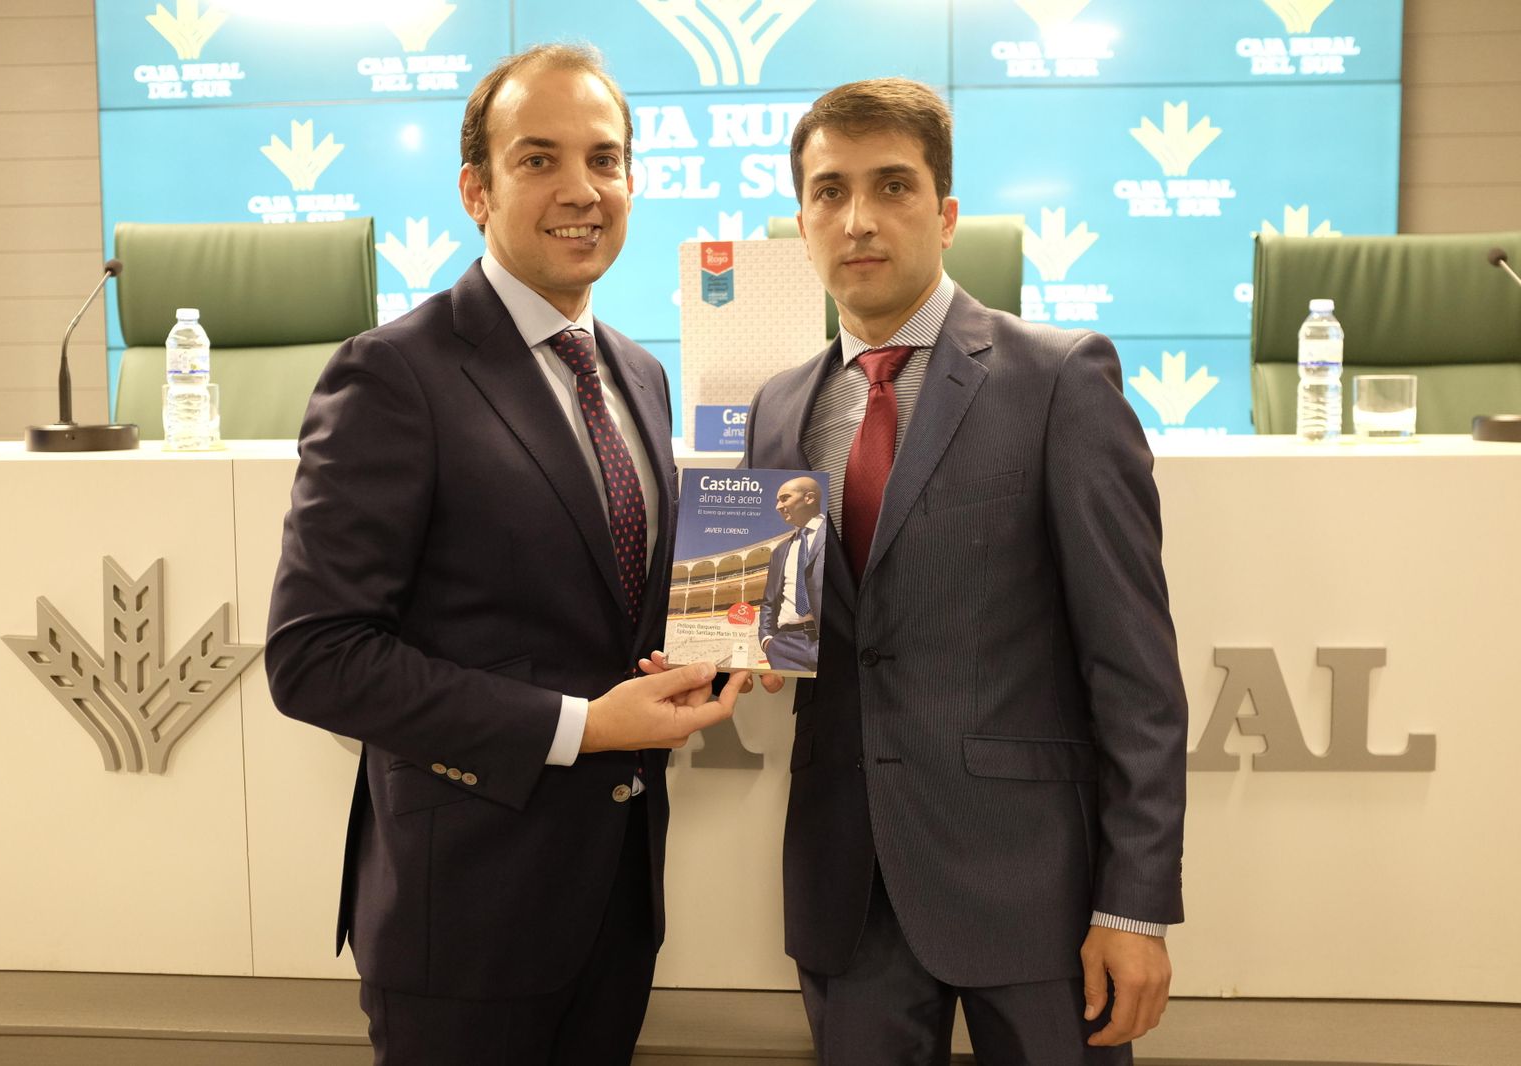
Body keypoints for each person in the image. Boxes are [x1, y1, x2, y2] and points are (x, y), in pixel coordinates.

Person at [265, 44, 747, 1066]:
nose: (583, 190)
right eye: (539, 160)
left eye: (606, 160)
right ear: (475, 191)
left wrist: (719, 644)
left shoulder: (638, 372)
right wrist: (580, 725)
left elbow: (600, 601)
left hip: (615, 903)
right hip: (466, 918)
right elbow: (315, 656)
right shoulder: (394, 374)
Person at [743, 78, 1188, 1064]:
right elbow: (783, 618)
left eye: (891, 186)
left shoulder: (1059, 379)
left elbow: (1134, 669)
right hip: (846, 891)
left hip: (1035, 894)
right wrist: (740, 651)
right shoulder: (778, 409)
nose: (857, 218)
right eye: (827, 192)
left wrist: (1136, 902)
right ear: (803, 222)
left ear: (945, 215)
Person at [758, 475, 825, 672]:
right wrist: (767, 640)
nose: (778, 506)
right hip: (784, 646)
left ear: (809, 498)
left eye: (784, 498)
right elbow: (769, 600)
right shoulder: (780, 551)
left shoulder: (834, 533)